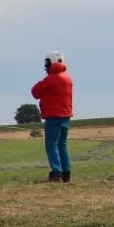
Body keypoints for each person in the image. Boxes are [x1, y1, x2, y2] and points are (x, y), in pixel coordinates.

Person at [31, 51, 73, 183]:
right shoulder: (68, 78)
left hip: (53, 116)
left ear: (51, 63)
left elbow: (35, 92)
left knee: (51, 145)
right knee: (62, 145)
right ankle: (66, 174)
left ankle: (56, 173)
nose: (45, 66)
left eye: (46, 63)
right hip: (66, 115)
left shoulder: (51, 79)